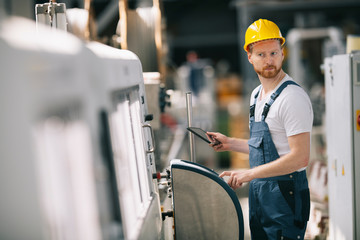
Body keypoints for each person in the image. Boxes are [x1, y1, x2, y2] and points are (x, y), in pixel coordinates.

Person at [207, 19, 313, 240]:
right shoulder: (256, 95)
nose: (269, 61)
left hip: (286, 197)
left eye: (274, 53)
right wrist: (230, 143)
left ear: (283, 53)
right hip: (261, 196)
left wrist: (248, 174)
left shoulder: (292, 98)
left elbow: (300, 158)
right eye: (261, 55)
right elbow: (267, 147)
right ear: (250, 57)